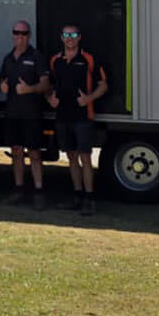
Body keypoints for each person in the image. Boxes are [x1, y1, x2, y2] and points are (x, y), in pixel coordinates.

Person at [47, 24, 108, 216]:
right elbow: (47, 85)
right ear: (61, 38)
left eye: (73, 34)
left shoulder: (88, 59)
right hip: (62, 116)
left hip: (83, 116)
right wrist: (50, 99)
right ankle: (77, 196)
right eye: (66, 34)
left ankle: (90, 199)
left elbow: (103, 85)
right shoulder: (55, 60)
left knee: (85, 157)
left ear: (79, 37)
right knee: (71, 157)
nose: (69, 38)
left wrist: (88, 99)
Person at [0, 20, 51, 208]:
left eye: (23, 33)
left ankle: (39, 191)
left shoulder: (36, 57)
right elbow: (0, 81)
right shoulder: (8, 58)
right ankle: (18, 190)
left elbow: (46, 84)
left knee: (34, 153)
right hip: (12, 113)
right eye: (16, 32)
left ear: (29, 36)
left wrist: (29, 89)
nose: (19, 36)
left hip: (32, 114)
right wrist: (1, 86)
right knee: (16, 151)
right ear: (12, 35)